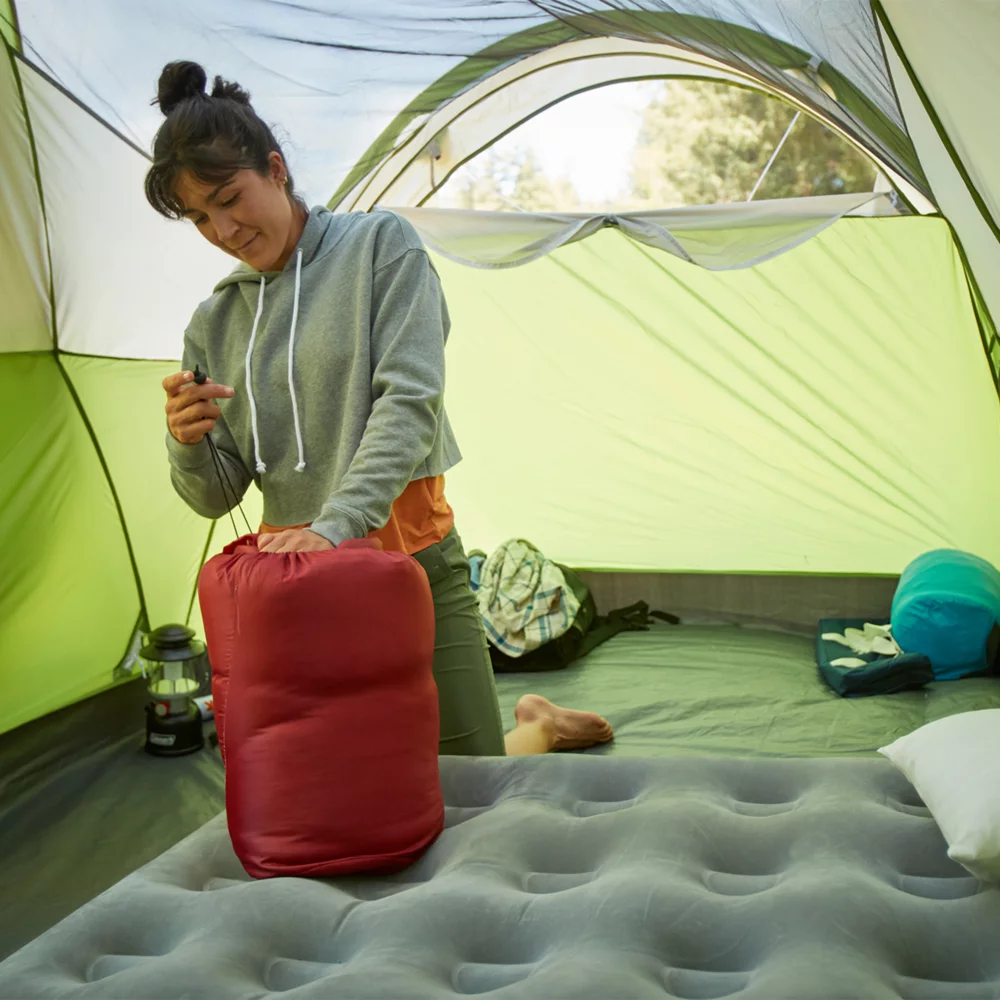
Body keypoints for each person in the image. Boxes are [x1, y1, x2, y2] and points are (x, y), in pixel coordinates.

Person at [147, 61, 613, 757]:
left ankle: (538, 727)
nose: (222, 229)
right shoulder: (213, 323)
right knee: (351, 780)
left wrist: (334, 529)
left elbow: (410, 403)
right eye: (199, 218)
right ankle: (534, 728)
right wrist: (187, 442)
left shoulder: (379, 249)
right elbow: (218, 495)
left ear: (275, 169)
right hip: (297, 588)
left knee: (469, 781)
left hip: (411, 558)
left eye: (228, 198)